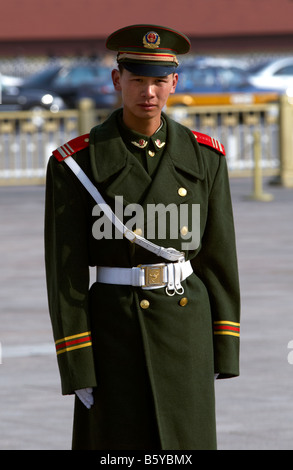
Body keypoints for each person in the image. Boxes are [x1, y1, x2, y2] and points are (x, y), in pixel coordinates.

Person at [44, 24, 240, 450]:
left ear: (174, 82)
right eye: (137, 80)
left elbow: (219, 257)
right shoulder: (76, 163)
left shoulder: (205, 157)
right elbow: (66, 275)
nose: (147, 92)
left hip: (185, 331)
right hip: (115, 330)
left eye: (157, 81)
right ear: (117, 80)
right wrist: (77, 362)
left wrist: (224, 344)